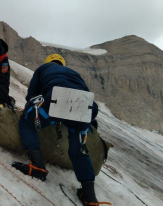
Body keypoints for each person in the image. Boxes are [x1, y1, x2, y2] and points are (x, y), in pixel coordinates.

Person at [12, 54, 108, 206]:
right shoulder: (74, 74)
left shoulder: (43, 68)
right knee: (79, 147)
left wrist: (30, 111)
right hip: (84, 107)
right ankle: (89, 195)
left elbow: (33, 96)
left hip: (57, 99)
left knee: (26, 122)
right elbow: (86, 99)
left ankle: (37, 166)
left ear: (48, 62)